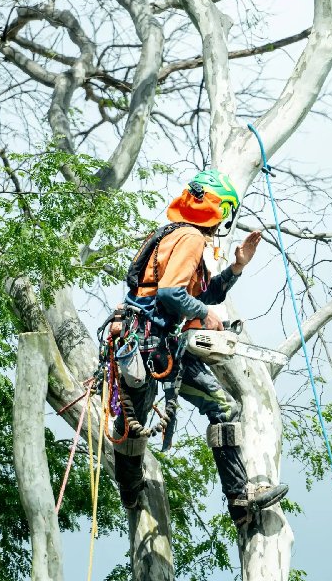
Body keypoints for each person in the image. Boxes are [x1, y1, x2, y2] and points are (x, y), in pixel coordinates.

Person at [111, 169, 288, 527]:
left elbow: (194, 296)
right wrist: (205, 314)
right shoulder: (190, 238)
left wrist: (235, 269)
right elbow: (171, 295)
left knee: (143, 419)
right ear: (220, 211)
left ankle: (132, 490)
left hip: (155, 344)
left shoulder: (173, 234)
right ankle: (238, 499)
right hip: (155, 346)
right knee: (212, 410)